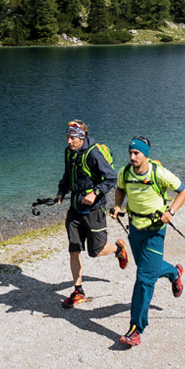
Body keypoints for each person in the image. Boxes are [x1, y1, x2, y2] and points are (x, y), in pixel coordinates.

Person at [109, 135, 185, 347]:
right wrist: (118, 207)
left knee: (144, 278)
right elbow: (119, 189)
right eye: (130, 153)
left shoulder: (158, 172)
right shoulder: (125, 173)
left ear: (146, 154)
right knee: (147, 268)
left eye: (136, 153)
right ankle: (174, 273)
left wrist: (171, 211)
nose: (132, 157)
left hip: (155, 231)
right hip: (135, 229)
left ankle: (136, 328)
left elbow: (184, 190)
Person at [56, 120, 128, 308]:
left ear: (81, 138)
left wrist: (94, 193)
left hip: (93, 210)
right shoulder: (69, 152)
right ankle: (78, 291)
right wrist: (61, 191)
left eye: (72, 138)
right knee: (74, 249)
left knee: (95, 251)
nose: (69, 141)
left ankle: (118, 249)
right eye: (67, 137)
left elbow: (111, 178)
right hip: (75, 209)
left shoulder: (93, 153)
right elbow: (67, 175)